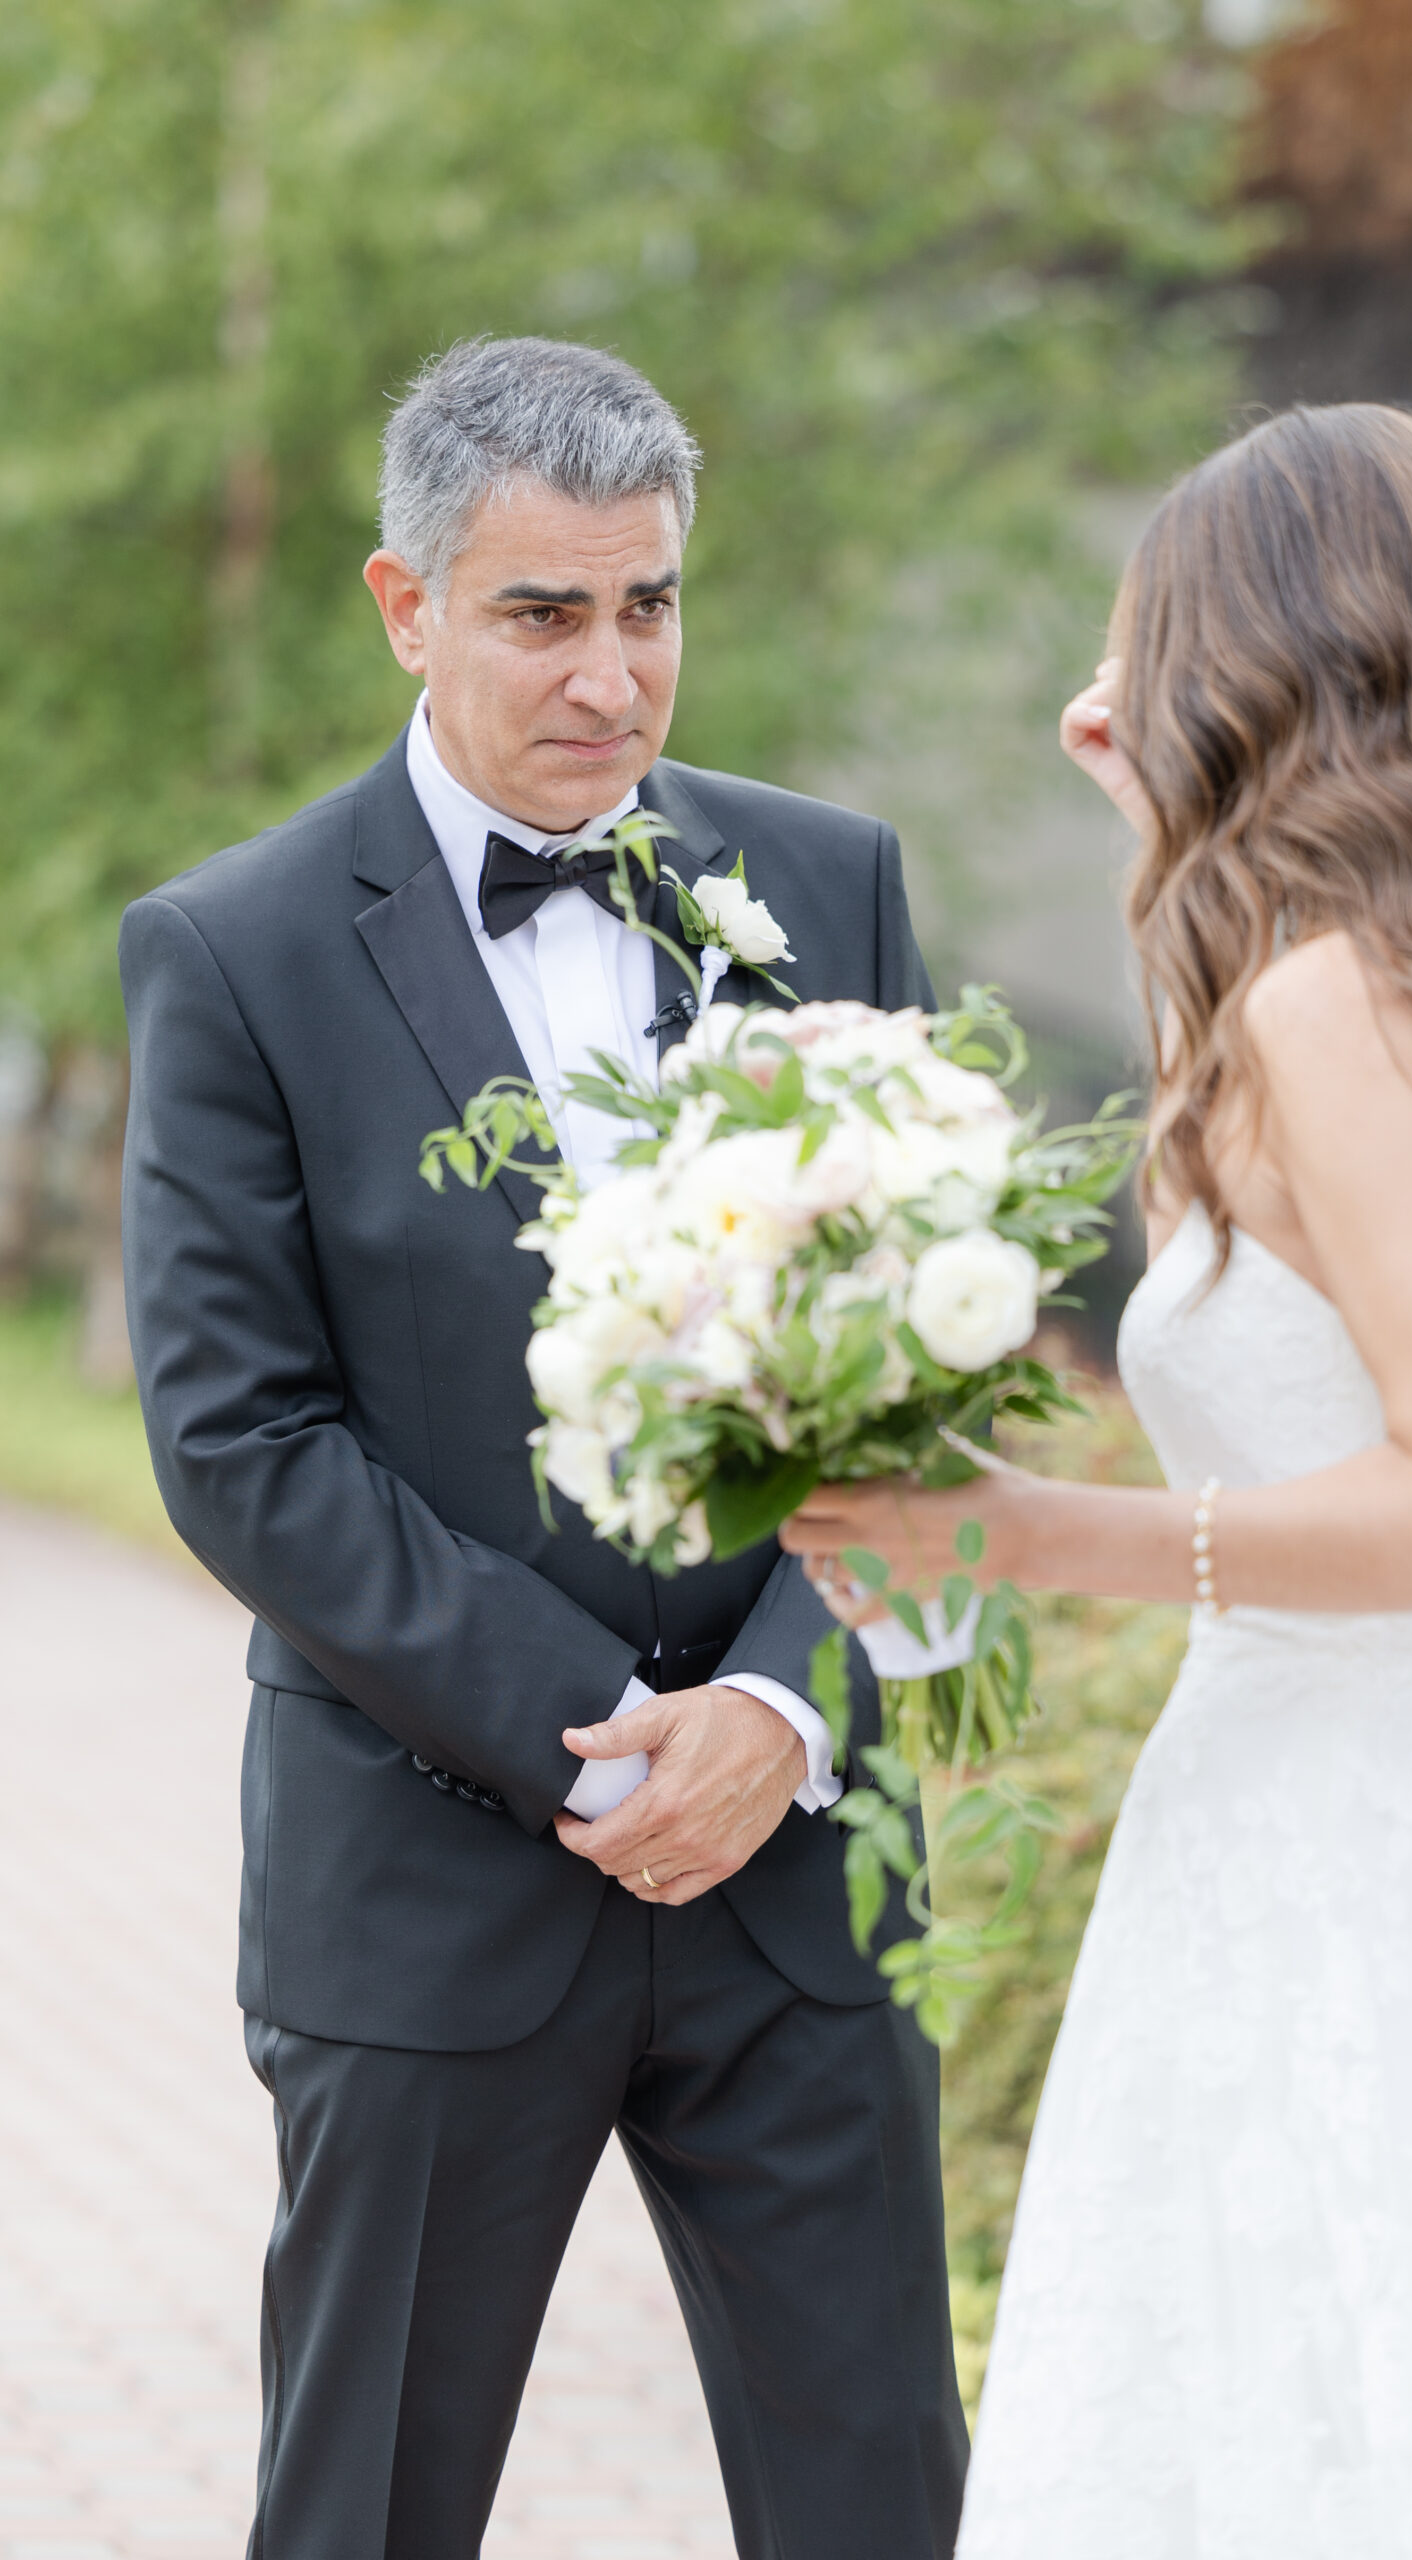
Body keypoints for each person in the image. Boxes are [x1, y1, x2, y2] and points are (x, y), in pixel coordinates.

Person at [786, 404, 1412, 2554]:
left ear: (1252, 666)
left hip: (1315, 1857)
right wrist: (1165, 847)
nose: (1116, 686)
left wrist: (1026, 1532)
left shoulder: (1326, 1011)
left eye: (1152, 638)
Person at [120, 335, 967, 2560]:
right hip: (431, 1888)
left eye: (649, 604)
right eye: (542, 613)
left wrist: (777, 1711)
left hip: (799, 1879)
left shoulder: (833, 886)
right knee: (370, 2514)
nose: (613, 674)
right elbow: (240, 1436)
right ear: (404, 606)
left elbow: (920, 1377)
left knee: (881, 2504)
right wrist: (599, 1743)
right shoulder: (233, 950)